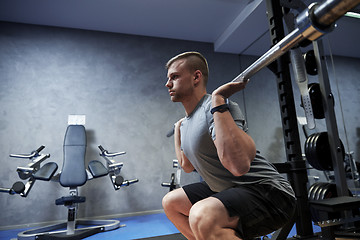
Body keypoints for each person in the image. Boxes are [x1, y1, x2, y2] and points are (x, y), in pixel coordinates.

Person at [162, 51, 296, 240]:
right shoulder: (186, 123)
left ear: (196, 77)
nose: (168, 84)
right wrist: (179, 130)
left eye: (174, 77)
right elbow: (187, 165)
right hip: (230, 189)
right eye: (168, 78)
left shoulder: (217, 107)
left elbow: (238, 166)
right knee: (171, 202)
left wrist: (218, 100)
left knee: (202, 215)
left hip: (269, 192)